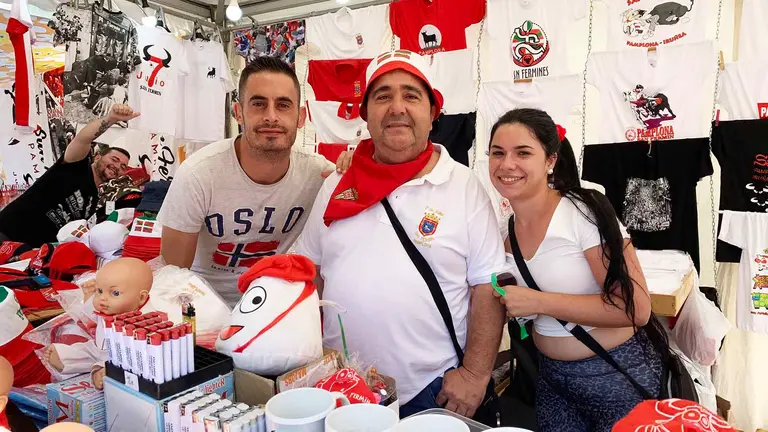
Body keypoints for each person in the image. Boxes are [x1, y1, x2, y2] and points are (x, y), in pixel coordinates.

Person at [295, 50, 506, 420]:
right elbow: (309, 272)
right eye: (382, 96)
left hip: (432, 389)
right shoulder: (336, 186)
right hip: (343, 388)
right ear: (365, 113)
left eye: (411, 95)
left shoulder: (464, 187)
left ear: (432, 112)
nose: (397, 107)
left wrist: (475, 374)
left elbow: (488, 287)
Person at [487, 108, 666, 431]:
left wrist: (538, 302)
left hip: (616, 375)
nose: (506, 164)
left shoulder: (583, 211)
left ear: (550, 160)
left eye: (523, 152)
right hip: (552, 381)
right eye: (497, 153)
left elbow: (636, 308)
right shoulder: (503, 230)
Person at [157, 56, 349, 307]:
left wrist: (355, 169)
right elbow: (173, 274)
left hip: (276, 306)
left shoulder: (319, 175)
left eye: (283, 105)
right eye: (259, 104)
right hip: (205, 307)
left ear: (301, 117)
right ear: (238, 112)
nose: (271, 116)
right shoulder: (199, 173)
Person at [0, 104, 136, 246]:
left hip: (27, 253)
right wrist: (111, 118)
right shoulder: (76, 166)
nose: (117, 167)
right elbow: (83, 138)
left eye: (123, 167)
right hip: (7, 233)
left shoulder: (93, 199)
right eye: (114, 160)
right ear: (97, 157)